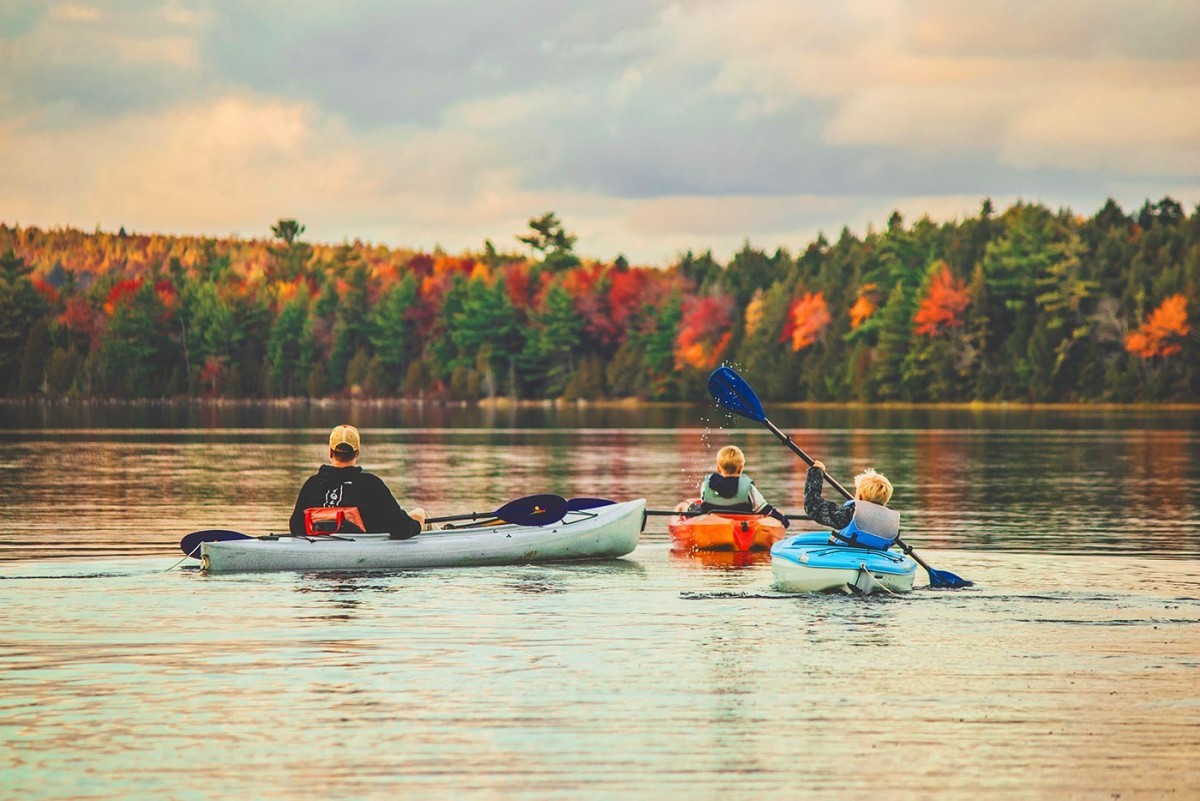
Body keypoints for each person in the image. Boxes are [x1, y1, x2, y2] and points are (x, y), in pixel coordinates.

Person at [289, 424, 426, 540]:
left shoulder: (312, 485)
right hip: (364, 554)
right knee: (419, 513)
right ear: (357, 453)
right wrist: (418, 524)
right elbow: (400, 528)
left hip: (319, 549)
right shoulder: (371, 484)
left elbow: (296, 528)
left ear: (330, 453)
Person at [804, 459, 894, 544]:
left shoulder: (848, 514)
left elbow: (812, 506)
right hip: (874, 558)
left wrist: (816, 472)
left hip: (843, 557)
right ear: (885, 500)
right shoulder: (892, 523)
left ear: (860, 496)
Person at [698, 445, 790, 528]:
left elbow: (704, 505)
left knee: (693, 507)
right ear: (740, 468)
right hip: (742, 527)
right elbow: (765, 509)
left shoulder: (706, 485)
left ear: (718, 468)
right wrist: (782, 519)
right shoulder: (748, 487)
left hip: (712, 526)